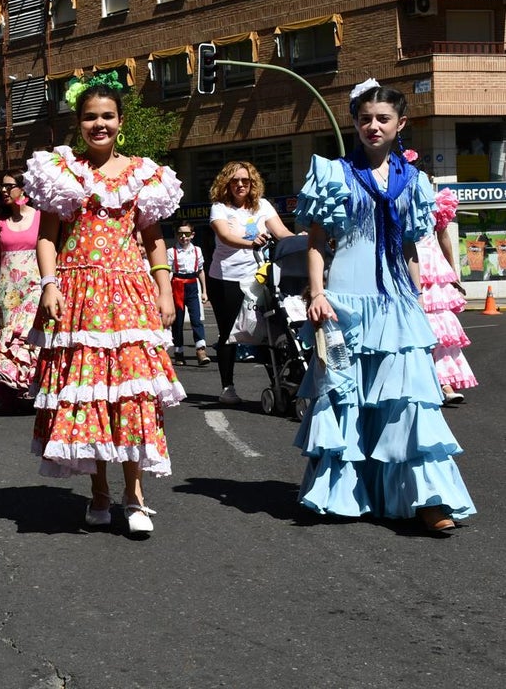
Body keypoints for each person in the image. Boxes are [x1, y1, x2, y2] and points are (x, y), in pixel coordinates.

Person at [295, 80, 475, 532]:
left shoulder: (414, 181)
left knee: (409, 402)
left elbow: (412, 248)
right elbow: (317, 241)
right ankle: (345, 495)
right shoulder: (334, 173)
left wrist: (415, 300)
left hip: (396, 302)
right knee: (346, 398)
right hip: (345, 300)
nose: (373, 126)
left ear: (401, 124)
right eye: (365, 119)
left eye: (382, 118)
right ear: (355, 123)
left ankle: (429, 500)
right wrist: (317, 294)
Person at [24, 73, 184, 534]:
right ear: (79, 123)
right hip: (78, 297)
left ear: (120, 121)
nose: (100, 124)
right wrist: (49, 285)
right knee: (88, 396)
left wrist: (161, 287)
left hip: (129, 295)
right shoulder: (63, 173)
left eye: (107, 116)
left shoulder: (145, 174)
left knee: (131, 395)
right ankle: (99, 491)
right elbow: (47, 238)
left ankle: (134, 497)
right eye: (91, 117)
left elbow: (154, 240)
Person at [207, 161, 294, 404]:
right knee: (229, 333)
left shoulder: (263, 206)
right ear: (227, 184)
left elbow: (282, 233)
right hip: (226, 278)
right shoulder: (220, 209)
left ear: (252, 183)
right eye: (235, 181)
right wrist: (251, 243)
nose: (240, 184)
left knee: (266, 330)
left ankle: (277, 383)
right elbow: (225, 236)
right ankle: (228, 388)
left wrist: (302, 241)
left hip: (256, 276)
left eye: (245, 180)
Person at [0, 172, 40, 407]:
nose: (3, 191)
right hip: (8, 288)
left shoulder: (40, 216)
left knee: (30, 335)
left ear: (22, 189)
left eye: (8, 186)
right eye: (1, 187)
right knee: (10, 335)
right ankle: (11, 388)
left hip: (34, 285)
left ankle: (32, 386)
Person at [418, 187, 477, 404]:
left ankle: (445, 384)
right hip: (406, 265)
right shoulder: (393, 196)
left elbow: (443, 236)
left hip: (433, 270)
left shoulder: (436, 201)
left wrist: (452, 272)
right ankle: (424, 383)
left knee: (441, 331)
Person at [169, 222, 210, 367]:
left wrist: (204, 291)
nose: (183, 237)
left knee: (196, 319)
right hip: (177, 285)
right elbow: (168, 273)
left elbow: (200, 271)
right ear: (176, 235)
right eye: (180, 234)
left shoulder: (197, 250)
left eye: (187, 234)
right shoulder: (171, 251)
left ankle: (200, 350)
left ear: (192, 235)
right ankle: (179, 351)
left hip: (192, 285)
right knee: (178, 322)